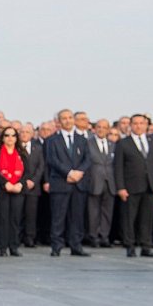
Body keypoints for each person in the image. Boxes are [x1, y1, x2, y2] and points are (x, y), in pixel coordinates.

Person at [114, 113, 153, 257]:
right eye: (135, 123)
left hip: (150, 186)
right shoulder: (123, 143)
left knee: (147, 218)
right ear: (131, 125)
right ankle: (130, 245)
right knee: (129, 218)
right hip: (131, 186)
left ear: (146, 125)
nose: (138, 126)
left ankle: (146, 245)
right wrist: (121, 187)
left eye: (141, 123)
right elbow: (118, 167)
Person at [45, 108, 91, 257]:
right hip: (60, 183)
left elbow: (87, 159)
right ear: (59, 121)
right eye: (64, 118)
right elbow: (52, 160)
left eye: (70, 117)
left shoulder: (82, 139)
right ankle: (56, 246)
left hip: (78, 184)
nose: (68, 120)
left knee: (77, 217)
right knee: (58, 217)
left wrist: (79, 172)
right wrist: (69, 173)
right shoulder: (52, 140)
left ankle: (76, 246)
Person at [0, 125, 26, 257]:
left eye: (13, 135)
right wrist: (5, 183)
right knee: (3, 219)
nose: (10, 138)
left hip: (18, 189)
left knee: (15, 219)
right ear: (2, 138)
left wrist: (20, 184)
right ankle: (3, 248)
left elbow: (27, 171)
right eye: (7, 135)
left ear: (16, 138)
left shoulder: (21, 152)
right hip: (3, 189)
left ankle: (14, 247)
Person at [83, 118, 117, 247]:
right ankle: (93, 236)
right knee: (93, 212)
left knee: (107, 212)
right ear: (95, 129)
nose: (101, 129)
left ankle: (104, 236)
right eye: (99, 127)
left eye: (104, 127)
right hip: (94, 181)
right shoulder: (88, 143)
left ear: (108, 130)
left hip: (110, 183)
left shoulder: (113, 144)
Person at [20, 122, 46, 248]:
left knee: (31, 214)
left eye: (27, 132)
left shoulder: (38, 148)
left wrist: (34, 181)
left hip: (33, 187)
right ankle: (17, 237)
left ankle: (30, 238)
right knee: (18, 214)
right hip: (19, 185)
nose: (24, 134)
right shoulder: (15, 148)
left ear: (32, 134)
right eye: (22, 132)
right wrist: (23, 181)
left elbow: (41, 167)